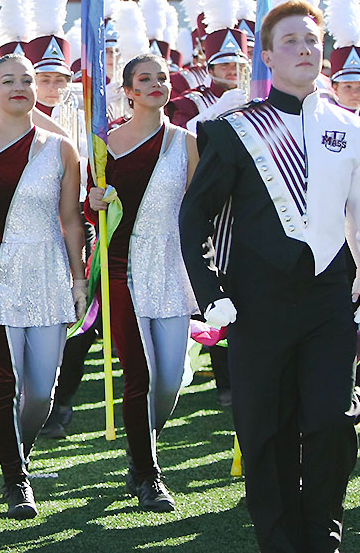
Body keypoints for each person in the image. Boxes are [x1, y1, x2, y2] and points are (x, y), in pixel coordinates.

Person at [179, 0, 360, 552]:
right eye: (292, 41)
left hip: (328, 303)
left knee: (330, 421)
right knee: (264, 433)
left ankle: (323, 531)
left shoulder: (354, 131)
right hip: (256, 306)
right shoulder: (232, 131)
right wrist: (211, 295)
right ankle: (279, 542)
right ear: (269, 56)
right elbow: (194, 215)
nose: (305, 49)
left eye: (312, 40)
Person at [0, 53, 86, 520]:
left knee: (42, 392)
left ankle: (19, 453)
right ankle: (16, 480)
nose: (19, 87)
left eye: (27, 80)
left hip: (49, 272)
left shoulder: (61, 147)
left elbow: (71, 220)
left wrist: (79, 278)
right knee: (3, 384)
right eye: (7, 80)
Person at [85, 53, 199, 512]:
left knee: (169, 380)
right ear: (128, 90)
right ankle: (149, 473)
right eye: (144, 79)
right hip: (120, 270)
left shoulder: (187, 142)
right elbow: (86, 213)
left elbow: (200, 209)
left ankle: (140, 447)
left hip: (172, 267)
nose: (156, 84)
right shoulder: (104, 146)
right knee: (141, 373)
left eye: (162, 77)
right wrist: (92, 200)